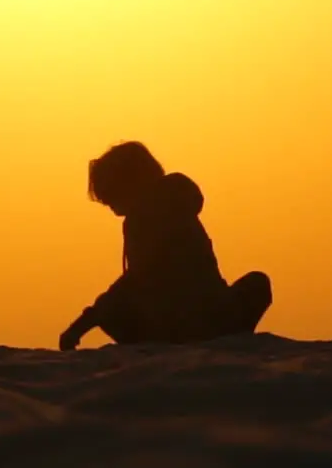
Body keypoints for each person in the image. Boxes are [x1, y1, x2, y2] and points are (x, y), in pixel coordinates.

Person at [59, 141, 272, 350]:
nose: (107, 203)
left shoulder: (145, 218)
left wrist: (81, 325)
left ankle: (199, 342)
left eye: (108, 192)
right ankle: (227, 338)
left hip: (181, 323)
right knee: (257, 282)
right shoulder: (173, 206)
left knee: (112, 312)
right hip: (213, 314)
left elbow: (137, 277)